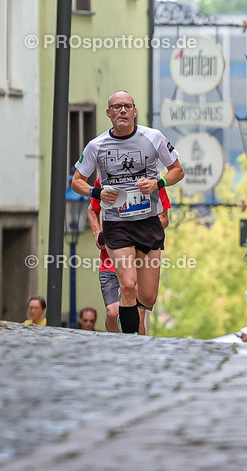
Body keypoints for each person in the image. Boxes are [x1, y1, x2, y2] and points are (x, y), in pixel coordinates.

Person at [71, 91, 184, 334]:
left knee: (148, 297)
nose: (122, 110)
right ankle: (130, 343)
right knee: (128, 285)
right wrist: (97, 193)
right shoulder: (96, 145)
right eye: (117, 107)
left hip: (148, 222)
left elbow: (177, 170)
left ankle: (130, 325)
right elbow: (76, 181)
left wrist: (158, 184)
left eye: (127, 106)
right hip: (117, 225)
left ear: (134, 111)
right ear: (109, 113)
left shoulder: (153, 137)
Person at [87, 174, 172, 333]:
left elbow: (164, 218)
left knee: (139, 315)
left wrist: (138, 230)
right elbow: (93, 209)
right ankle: (116, 350)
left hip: (142, 258)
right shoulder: (105, 178)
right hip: (111, 260)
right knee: (113, 313)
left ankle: (136, 354)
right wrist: (97, 232)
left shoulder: (151, 181)